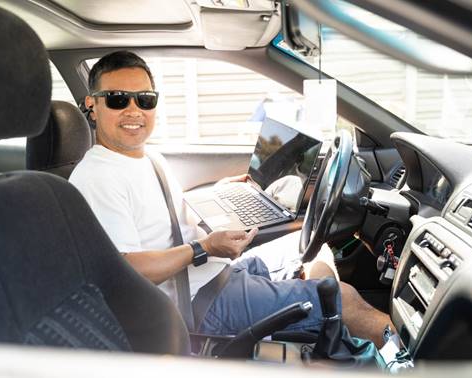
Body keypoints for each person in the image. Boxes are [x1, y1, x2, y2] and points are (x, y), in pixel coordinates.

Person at [69, 50, 393, 347]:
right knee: (344, 299)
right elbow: (126, 270)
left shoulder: (147, 157)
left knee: (314, 246)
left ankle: (323, 328)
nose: (133, 110)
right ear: (91, 106)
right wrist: (204, 247)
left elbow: (167, 219)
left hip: (215, 272)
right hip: (196, 303)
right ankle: (404, 358)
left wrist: (224, 193)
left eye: (144, 99)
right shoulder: (97, 177)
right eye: (116, 99)